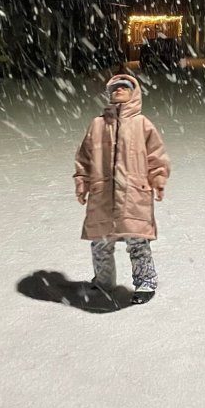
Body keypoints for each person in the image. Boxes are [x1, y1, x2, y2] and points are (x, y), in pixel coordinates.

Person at [73, 73, 170, 310]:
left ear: (134, 93)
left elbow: (156, 155)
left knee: (137, 240)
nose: (118, 90)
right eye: (114, 87)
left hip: (134, 193)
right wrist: (82, 182)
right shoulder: (97, 125)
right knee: (100, 242)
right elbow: (84, 157)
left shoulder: (142, 124)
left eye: (124, 87)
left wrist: (158, 178)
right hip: (102, 193)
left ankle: (145, 282)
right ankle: (104, 281)